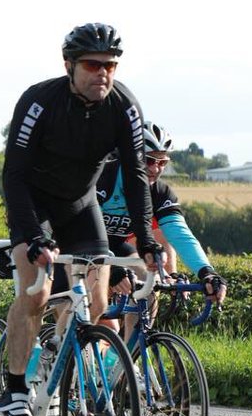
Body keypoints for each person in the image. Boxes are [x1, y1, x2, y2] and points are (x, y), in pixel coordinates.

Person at [0, 22, 165, 416]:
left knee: (95, 299)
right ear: (69, 65)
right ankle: (16, 388)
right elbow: (14, 175)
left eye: (110, 65)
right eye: (93, 65)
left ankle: (57, 367)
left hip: (79, 204)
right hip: (33, 202)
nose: (103, 73)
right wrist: (33, 238)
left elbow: (136, 176)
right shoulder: (39, 102)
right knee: (37, 291)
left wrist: (146, 240)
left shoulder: (124, 106)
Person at [97, 121, 227, 311]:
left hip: (116, 246)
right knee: (95, 305)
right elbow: (81, 227)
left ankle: (135, 333)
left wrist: (207, 272)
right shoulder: (102, 178)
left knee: (150, 285)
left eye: (162, 162)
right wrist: (110, 268)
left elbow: (180, 235)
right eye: (149, 160)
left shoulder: (160, 193)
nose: (155, 169)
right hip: (77, 244)